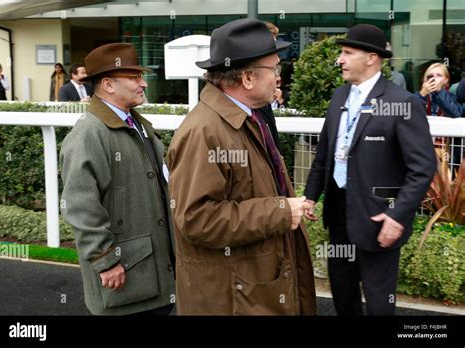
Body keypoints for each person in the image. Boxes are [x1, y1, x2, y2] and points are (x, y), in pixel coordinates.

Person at [166, 18, 316, 315]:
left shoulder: (247, 118)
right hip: (233, 300)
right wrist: (281, 211)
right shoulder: (205, 131)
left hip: (251, 291)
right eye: (274, 69)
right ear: (247, 78)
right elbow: (197, 219)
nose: (278, 77)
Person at [303, 24, 436, 315]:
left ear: (372, 58)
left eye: (348, 53)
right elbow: (325, 152)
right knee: (342, 294)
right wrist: (311, 195)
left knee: (378, 304)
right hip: (338, 214)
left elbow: (423, 167)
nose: (340, 59)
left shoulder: (402, 103)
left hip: (378, 218)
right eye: (341, 53)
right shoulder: (339, 96)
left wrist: (396, 215)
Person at [60, 43, 176, 316]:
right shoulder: (89, 134)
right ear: (109, 85)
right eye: (135, 77)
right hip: (127, 282)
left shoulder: (136, 124)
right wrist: (106, 261)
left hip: (152, 279)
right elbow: (80, 206)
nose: (144, 84)